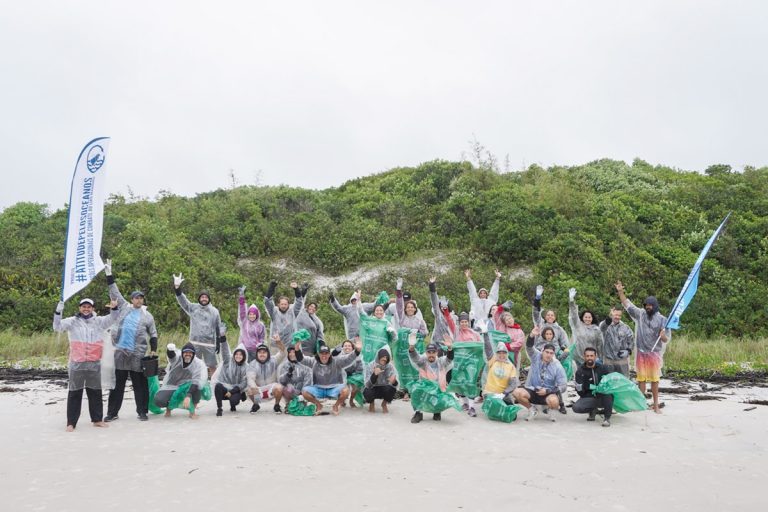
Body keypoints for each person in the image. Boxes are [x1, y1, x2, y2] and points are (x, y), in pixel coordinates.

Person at [53, 297, 119, 432]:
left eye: (89, 306)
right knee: (74, 392)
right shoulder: (73, 321)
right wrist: (58, 312)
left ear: (93, 309)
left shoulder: (99, 321)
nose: (86, 309)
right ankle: (71, 422)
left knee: (95, 392)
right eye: (84, 306)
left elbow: (113, 319)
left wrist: (114, 308)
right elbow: (57, 327)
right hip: (77, 363)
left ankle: (97, 420)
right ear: (80, 308)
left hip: (94, 362)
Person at [104, 259, 158, 422]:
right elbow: (114, 292)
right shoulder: (124, 307)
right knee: (117, 384)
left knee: (140, 385)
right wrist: (109, 275)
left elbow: (153, 333)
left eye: (141, 298)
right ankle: (112, 413)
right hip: (120, 352)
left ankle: (142, 411)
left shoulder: (147, 316)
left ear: (143, 300)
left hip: (138, 354)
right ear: (132, 299)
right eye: (136, 298)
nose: (138, 300)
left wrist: (153, 349)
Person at [615, 281, 670, 413]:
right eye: (646, 305)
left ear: (655, 306)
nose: (648, 307)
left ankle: (656, 405)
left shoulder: (663, 319)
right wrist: (620, 291)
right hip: (641, 352)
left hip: (654, 354)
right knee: (641, 380)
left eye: (650, 305)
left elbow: (666, 338)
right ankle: (640, 403)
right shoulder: (640, 314)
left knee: (655, 381)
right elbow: (627, 304)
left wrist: (662, 335)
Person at [172, 272, 226, 378]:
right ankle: (195, 383)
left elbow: (218, 328)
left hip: (209, 344)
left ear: (209, 299)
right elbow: (183, 301)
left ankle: (214, 385)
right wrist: (177, 288)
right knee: (193, 364)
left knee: (212, 366)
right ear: (199, 298)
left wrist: (219, 343)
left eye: (206, 297)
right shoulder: (193, 308)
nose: (204, 299)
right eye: (202, 297)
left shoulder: (214, 311)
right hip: (194, 343)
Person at [512, 326, 567, 421]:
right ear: (542, 351)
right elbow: (529, 347)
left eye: (551, 353)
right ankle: (532, 409)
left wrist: (548, 391)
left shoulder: (557, 365)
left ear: (553, 354)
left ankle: (550, 410)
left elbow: (563, 386)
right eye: (547, 352)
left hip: (547, 393)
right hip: (532, 390)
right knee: (516, 392)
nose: (548, 355)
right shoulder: (536, 356)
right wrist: (532, 335)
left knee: (554, 401)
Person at [298, 339, 362, 415]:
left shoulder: (336, 361)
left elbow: (348, 358)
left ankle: (336, 405)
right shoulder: (313, 361)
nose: (324, 356)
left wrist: (357, 350)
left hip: (334, 388)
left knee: (346, 390)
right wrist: (296, 348)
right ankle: (318, 405)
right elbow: (301, 359)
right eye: (322, 353)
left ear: (329, 354)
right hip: (319, 388)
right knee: (304, 391)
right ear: (318, 354)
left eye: (326, 353)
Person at [154, 342, 207, 419]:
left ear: (193, 354)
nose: (188, 354)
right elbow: (171, 356)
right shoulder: (177, 359)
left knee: (197, 388)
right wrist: (170, 350)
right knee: (159, 400)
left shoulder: (197, 364)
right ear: (182, 353)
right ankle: (168, 409)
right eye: (186, 352)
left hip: (187, 386)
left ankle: (192, 412)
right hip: (172, 386)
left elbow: (195, 381)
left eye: (190, 352)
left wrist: (188, 396)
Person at [408, 338, 454, 423]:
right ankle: (418, 413)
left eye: (433, 352)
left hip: (438, 388)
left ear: (436, 353)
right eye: (429, 352)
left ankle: (437, 411)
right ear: (426, 353)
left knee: (445, 397)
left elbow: (449, 359)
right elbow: (415, 358)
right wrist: (411, 348)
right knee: (415, 390)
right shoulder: (423, 362)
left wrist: (450, 348)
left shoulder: (441, 362)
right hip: (425, 388)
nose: (431, 354)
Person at [572, 347, 614, 427]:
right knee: (576, 407)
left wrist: (601, 388)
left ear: (595, 356)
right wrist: (591, 388)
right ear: (584, 357)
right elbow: (579, 390)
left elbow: (610, 382)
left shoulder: (603, 368)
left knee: (607, 394)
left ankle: (607, 418)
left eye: (591, 356)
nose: (589, 358)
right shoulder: (580, 371)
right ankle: (592, 410)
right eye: (587, 356)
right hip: (590, 397)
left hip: (603, 395)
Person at [246, 335, 287, 413]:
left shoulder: (274, 360)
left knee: (279, 387)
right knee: (250, 390)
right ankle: (256, 404)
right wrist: (255, 388)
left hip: (271, 390)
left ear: (268, 353)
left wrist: (278, 342)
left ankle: (277, 405)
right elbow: (250, 379)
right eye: (260, 352)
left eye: (264, 352)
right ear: (257, 354)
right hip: (259, 390)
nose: (262, 354)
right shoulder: (252, 364)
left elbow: (283, 353)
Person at [568, 287, 604, 366]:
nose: (587, 319)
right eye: (586, 317)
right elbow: (574, 315)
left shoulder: (596, 330)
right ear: (582, 318)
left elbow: (599, 345)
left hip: (591, 358)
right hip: (578, 357)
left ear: (592, 318)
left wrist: (601, 358)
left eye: (589, 317)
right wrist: (571, 301)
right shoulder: (578, 326)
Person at [264, 280, 303, 350]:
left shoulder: (292, 311)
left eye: (285, 304)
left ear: (289, 304)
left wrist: (296, 289)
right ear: (278, 304)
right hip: (275, 345)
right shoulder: (274, 312)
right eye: (282, 304)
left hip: (290, 345)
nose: (283, 306)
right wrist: (271, 288)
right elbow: (267, 302)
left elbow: (299, 302)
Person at [213, 340, 248, 416]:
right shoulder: (228, 361)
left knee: (234, 400)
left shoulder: (246, 367)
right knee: (217, 386)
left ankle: (234, 404)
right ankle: (219, 408)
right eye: (237, 354)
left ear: (244, 356)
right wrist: (223, 338)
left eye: (241, 355)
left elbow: (244, 383)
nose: (238, 356)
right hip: (225, 387)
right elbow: (225, 351)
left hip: (235, 389)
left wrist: (231, 391)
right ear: (234, 354)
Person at [481, 335, 519, 403]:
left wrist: (504, 393)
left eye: (504, 353)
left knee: (511, 412)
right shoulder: (492, 360)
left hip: (502, 394)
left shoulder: (511, 366)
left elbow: (513, 384)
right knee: (495, 408)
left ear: (507, 353)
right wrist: (486, 334)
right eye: (499, 353)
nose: (501, 355)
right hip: (489, 393)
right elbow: (488, 348)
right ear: (496, 353)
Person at [531, 285, 570, 351]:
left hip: (555, 353)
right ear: (545, 317)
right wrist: (537, 300)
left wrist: (563, 348)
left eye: (552, 315)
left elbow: (564, 342)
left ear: (555, 317)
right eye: (548, 315)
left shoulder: (559, 329)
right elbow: (536, 314)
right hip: (540, 351)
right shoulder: (540, 324)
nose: (550, 317)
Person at [599, 306, 635, 377]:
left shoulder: (625, 327)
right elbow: (602, 328)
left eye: (619, 315)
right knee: (609, 381)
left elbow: (631, 340)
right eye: (615, 315)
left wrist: (628, 350)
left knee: (623, 381)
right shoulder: (605, 325)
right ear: (612, 315)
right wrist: (609, 317)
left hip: (622, 360)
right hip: (608, 360)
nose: (617, 317)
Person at [277, 342, 313, 408]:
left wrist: (303, 393)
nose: (291, 354)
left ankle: (303, 401)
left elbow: (308, 381)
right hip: (290, 392)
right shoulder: (284, 365)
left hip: (302, 392)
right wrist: (288, 374)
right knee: (287, 387)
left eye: (293, 352)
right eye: (289, 352)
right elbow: (281, 381)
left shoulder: (305, 364)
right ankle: (288, 404)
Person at [491, 303, 525, 371]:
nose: (509, 321)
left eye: (510, 318)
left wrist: (508, 346)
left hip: (514, 355)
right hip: (501, 354)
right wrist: (501, 307)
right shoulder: (502, 327)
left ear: (513, 318)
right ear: (504, 322)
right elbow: (497, 316)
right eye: (507, 320)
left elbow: (520, 343)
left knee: (513, 372)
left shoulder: (519, 330)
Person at [363, 348, 398, 413]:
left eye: (386, 357)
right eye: (383, 357)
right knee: (366, 391)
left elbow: (397, 385)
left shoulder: (390, 367)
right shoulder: (370, 365)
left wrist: (394, 382)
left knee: (392, 389)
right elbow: (367, 385)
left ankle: (384, 404)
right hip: (372, 388)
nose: (385, 359)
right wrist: (374, 375)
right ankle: (371, 403)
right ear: (378, 357)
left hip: (384, 388)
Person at [237, 285, 266, 361]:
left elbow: (262, 337)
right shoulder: (244, 321)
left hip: (255, 350)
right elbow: (242, 309)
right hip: (244, 348)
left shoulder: (260, 325)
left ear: (257, 315)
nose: (252, 316)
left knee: (254, 368)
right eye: (250, 314)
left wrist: (260, 344)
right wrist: (241, 296)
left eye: (254, 314)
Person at [295, 285, 326, 356]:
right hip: (299, 346)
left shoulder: (317, 320)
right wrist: (303, 292)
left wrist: (322, 344)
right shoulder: (301, 313)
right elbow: (300, 303)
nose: (312, 308)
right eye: (311, 306)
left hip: (311, 349)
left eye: (314, 307)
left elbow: (320, 333)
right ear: (307, 306)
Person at [332, 339, 363, 408]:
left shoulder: (357, 356)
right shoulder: (338, 356)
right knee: (343, 389)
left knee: (356, 387)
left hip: (352, 375)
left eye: (349, 346)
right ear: (342, 347)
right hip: (341, 375)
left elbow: (359, 369)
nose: (347, 347)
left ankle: (351, 400)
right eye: (345, 346)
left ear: (352, 348)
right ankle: (342, 400)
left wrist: (354, 375)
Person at [428, 277, 457, 345]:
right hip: (436, 342)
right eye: (441, 306)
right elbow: (434, 302)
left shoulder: (454, 317)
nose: (442, 308)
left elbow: (455, 331)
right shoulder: (438, 315)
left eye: (444, 306)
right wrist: (432, 287)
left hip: (449, 343)